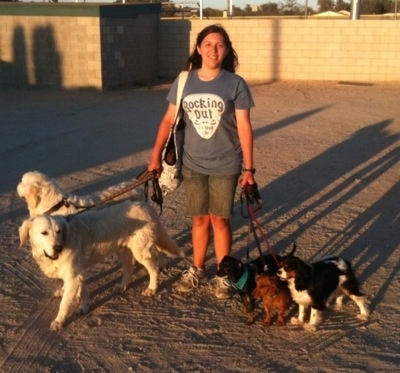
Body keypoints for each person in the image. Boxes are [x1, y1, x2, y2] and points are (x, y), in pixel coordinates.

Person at [148, 24, 255, 299]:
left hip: (226, 163)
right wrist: (154, 158)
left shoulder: (235, 84)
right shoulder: (184, 81)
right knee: (199, 220)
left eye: (219, 45)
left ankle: (223, 274)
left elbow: (244, 126)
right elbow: (167, 119)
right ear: (198, 48)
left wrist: (249, 169)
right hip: (193, 163)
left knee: (219, 220)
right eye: (208, 44)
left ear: (227, 50)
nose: (213, 50)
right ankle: (196, 268)